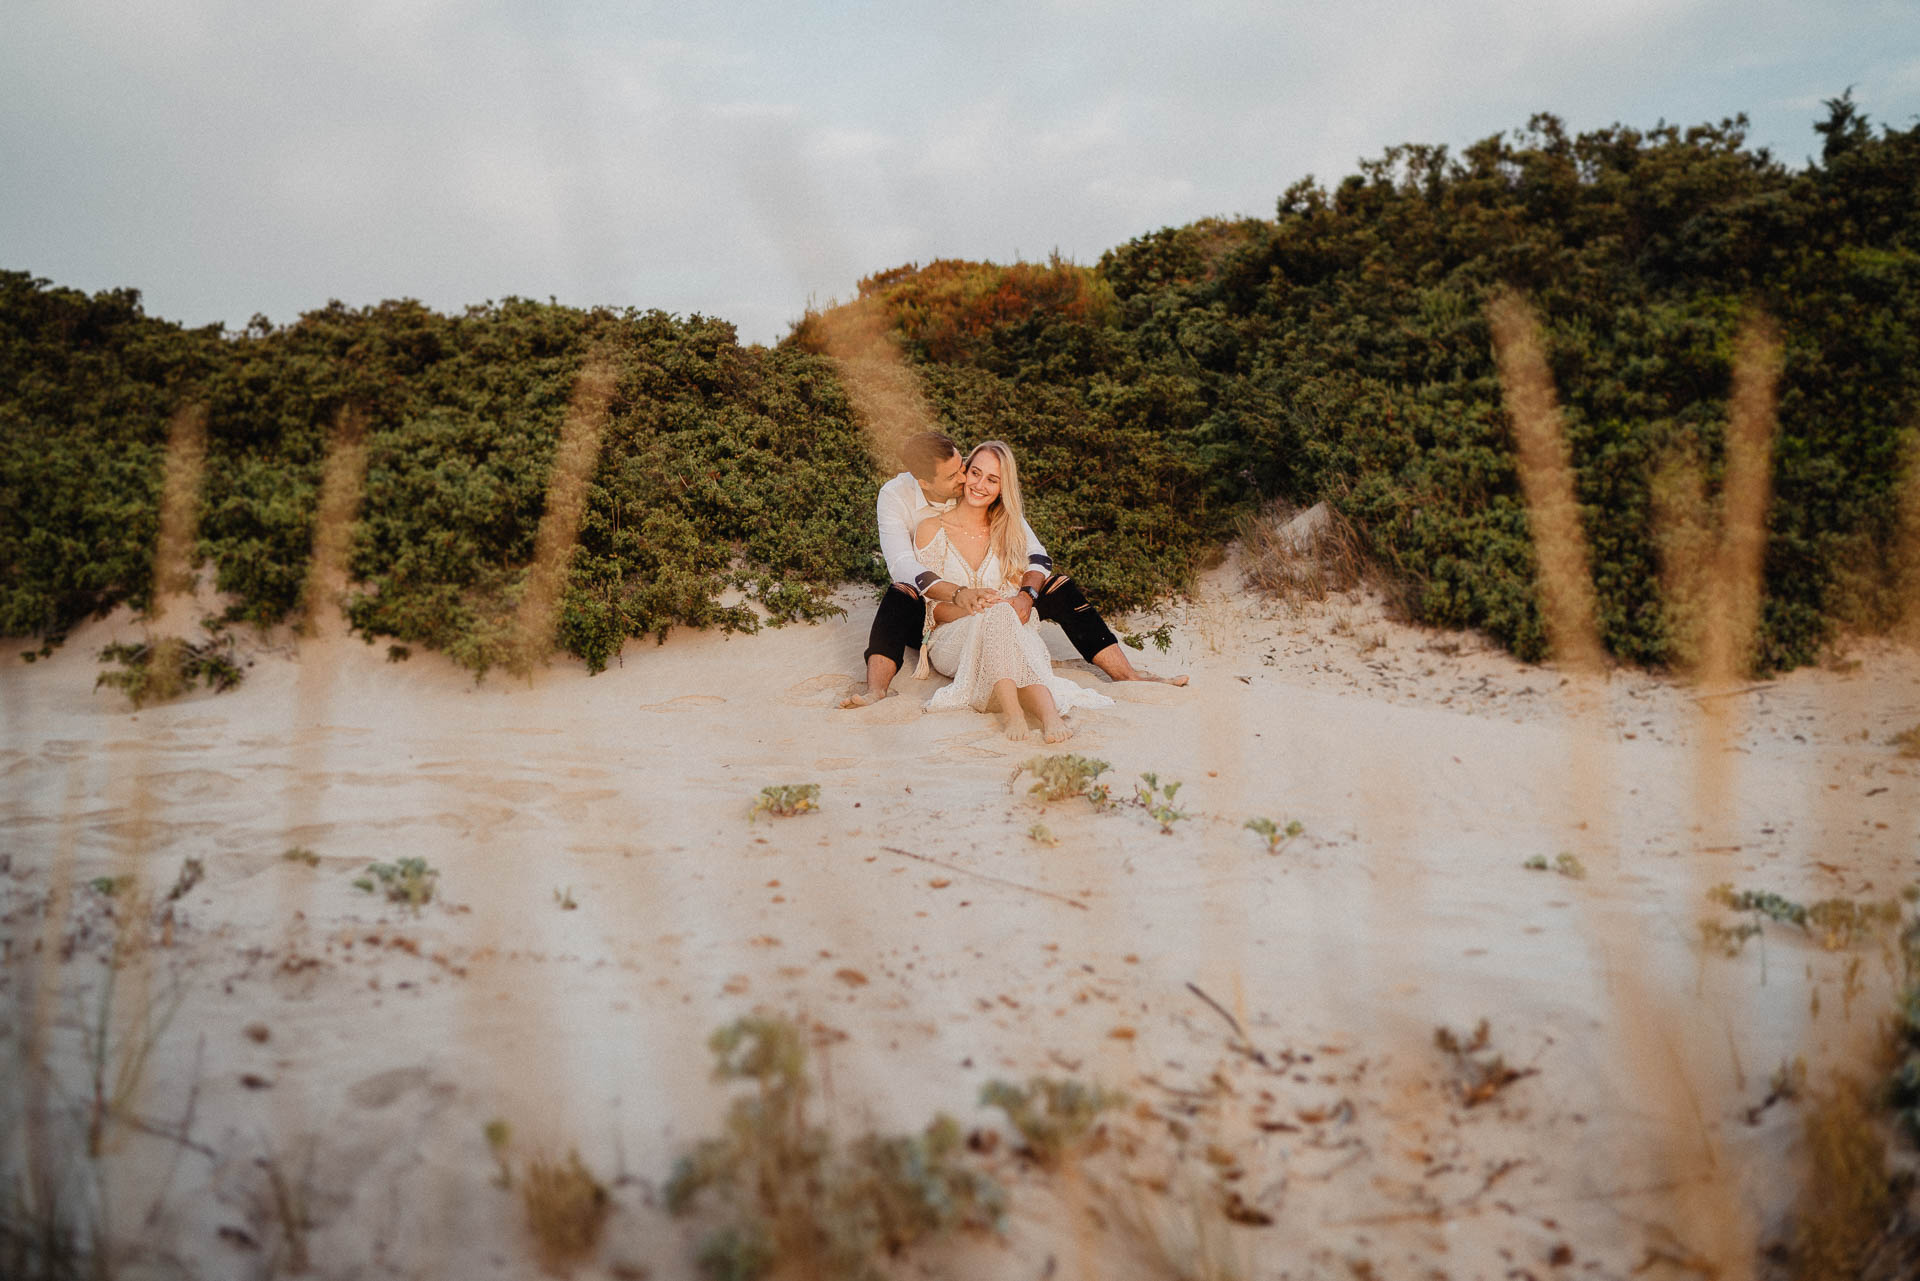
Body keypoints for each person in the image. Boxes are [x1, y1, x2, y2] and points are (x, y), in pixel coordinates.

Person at [839, 430, 1185, 709]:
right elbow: (902, 565)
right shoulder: (898, 497)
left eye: (967, 466)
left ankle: (1127, 674)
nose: (967, 479)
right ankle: (877, 690)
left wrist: (1026, 596)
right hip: (936, 611)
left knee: (1058, 586)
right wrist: (962, 596)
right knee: (901, 593)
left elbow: (1038, 556)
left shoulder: (990, 499)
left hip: (1000, 608)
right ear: (926, 483)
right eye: (961, 473)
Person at [913, 441, 1112, 741]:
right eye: (976, 473)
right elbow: (930, 608)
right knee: (998, 614)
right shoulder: (931, 529)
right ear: (964, 472)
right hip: (953, 637)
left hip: (1008, 632)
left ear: (1003, 487)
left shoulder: (1010, 530)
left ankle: (1048, 718)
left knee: (1003, 614)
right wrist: (974, 605)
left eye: (992, 479)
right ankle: (1015, 714)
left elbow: (1024, 595)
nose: (979, 485)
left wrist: (1003, 606)